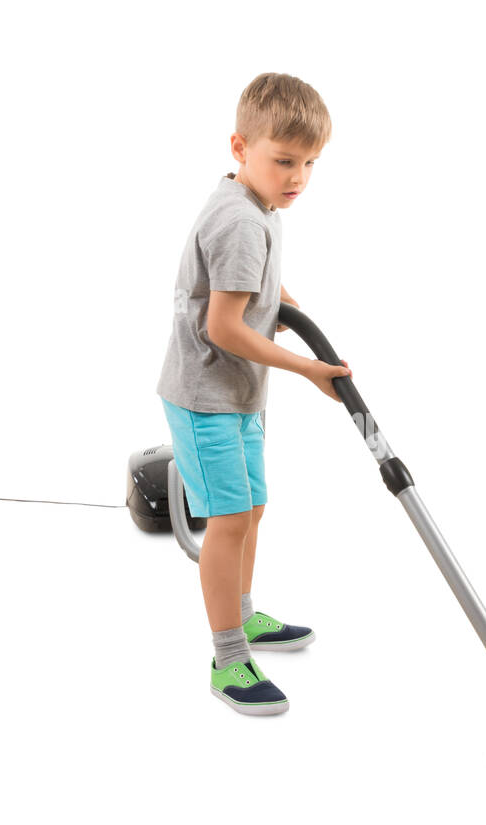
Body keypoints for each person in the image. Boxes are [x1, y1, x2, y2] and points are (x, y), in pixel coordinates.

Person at [155, 72, 351, 715]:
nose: (297, 177)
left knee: (252, 510)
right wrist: (306, 368)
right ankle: (228, 658)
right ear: (240, 148)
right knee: (230, 522)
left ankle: (243, 614)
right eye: (284, 160)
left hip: (237, 394)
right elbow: (223, 325)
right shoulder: (241, 219)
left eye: (309, 163)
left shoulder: (253, 203)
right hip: (208, 396)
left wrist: (287, 303)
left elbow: (249, 282)